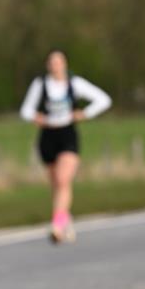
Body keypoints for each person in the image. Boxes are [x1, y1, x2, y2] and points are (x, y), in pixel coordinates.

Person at [19, 49, 111, 243]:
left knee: (63, 179)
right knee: (56, 185)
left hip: (68, 134)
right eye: (52, 62)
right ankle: (65, 219)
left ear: (64, 64)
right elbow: (26, 110)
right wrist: (36, 117)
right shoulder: (40, 84)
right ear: (48, 66)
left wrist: (85, 113)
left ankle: (57, 226)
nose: (55, 66)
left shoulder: (74, 83)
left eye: (58, 62)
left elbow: (103, 100)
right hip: (48, 135)